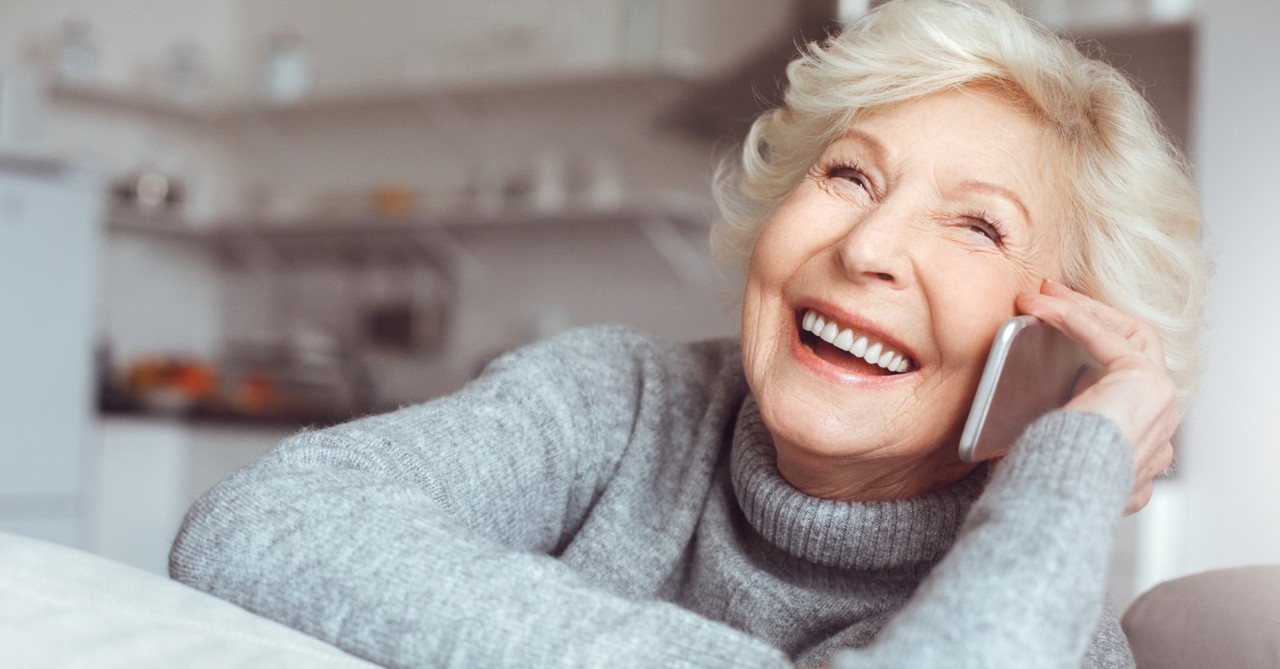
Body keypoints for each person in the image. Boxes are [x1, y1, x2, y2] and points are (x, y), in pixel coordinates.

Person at [169, 1, 1210, 667]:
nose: (867, 247)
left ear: (1058, 353)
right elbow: (262, 522)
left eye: (977, 226)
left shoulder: (1045, 619)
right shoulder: (616, 402)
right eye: (846, 176)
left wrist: (1075, 450)